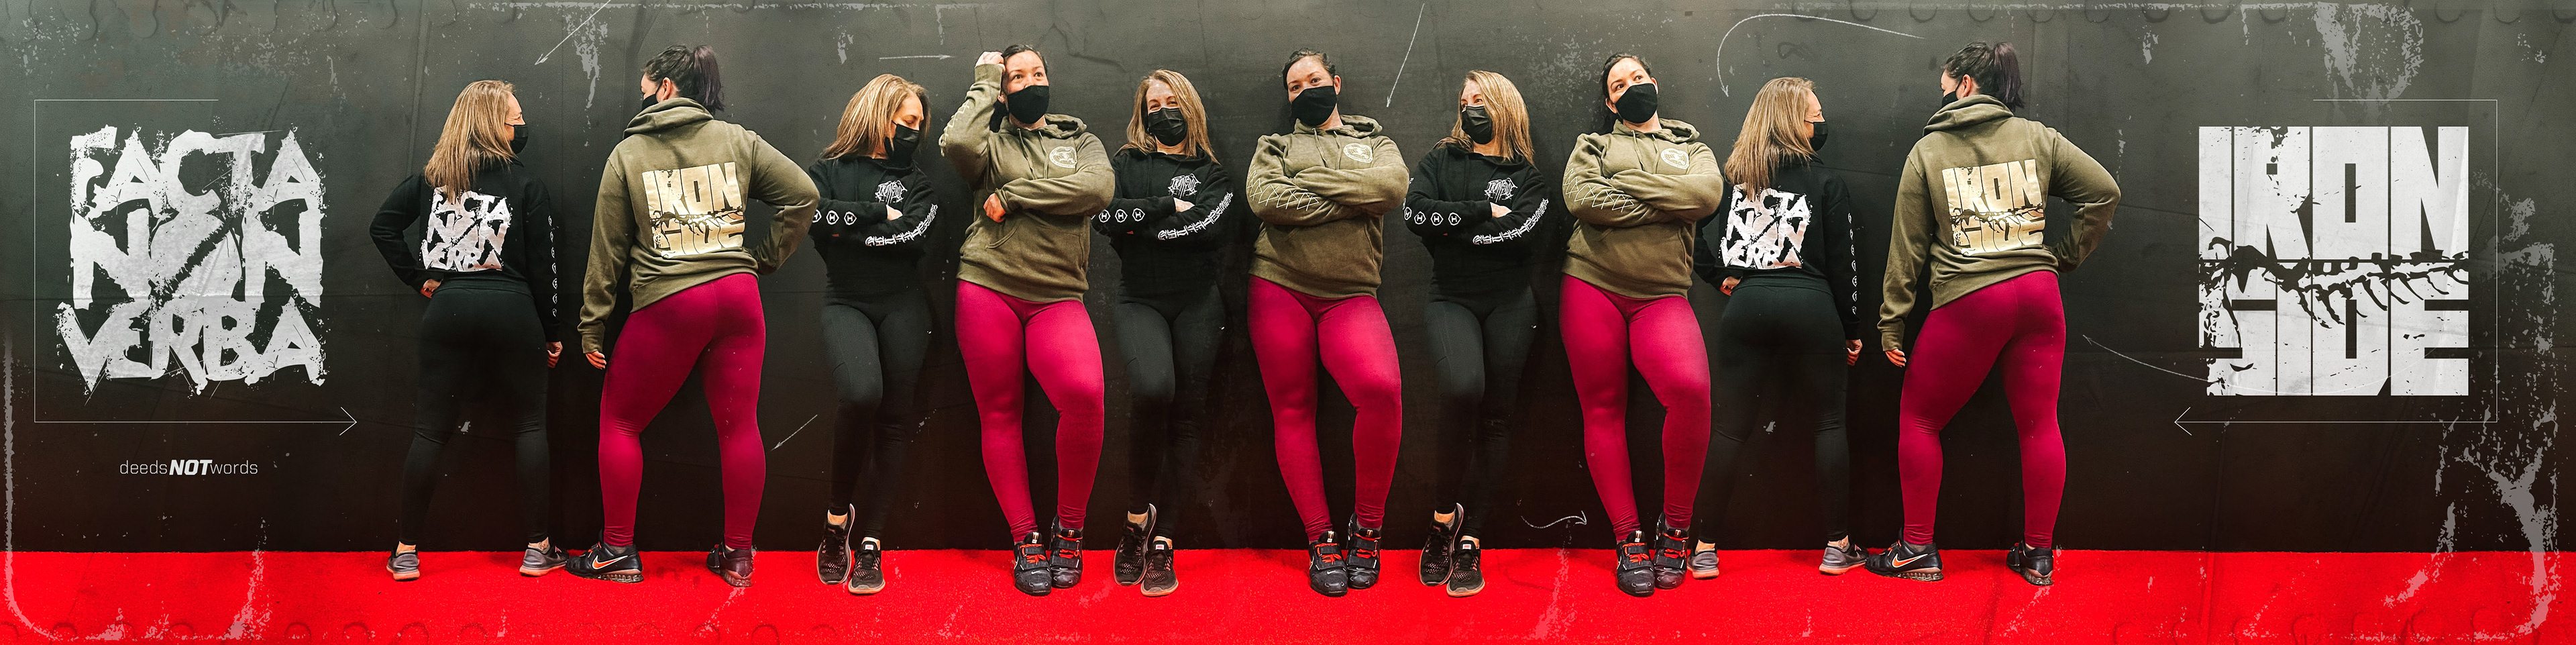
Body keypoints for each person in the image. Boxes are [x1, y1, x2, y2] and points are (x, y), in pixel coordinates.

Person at [1866, 41, 2119, 587]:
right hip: (2039, 295)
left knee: (1919, 418)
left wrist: (1892, 321)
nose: (1939, 93)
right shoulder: (2038, 138)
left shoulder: (1928, 151)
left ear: (1964, 84)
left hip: (1971, 298)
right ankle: (2038, 554)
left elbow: (1907, 247)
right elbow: (2104, 191)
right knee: (2039, 424)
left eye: (1943, 84)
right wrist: (2062, 256)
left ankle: (1916, 549)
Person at [566, 44, 818, 587]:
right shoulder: (738, 140)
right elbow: (804, 194)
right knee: (740, 427)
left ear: (664, 87)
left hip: (671, 300)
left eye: (644, 87)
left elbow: (607, 250)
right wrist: (762, 259)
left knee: (620, 420)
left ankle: (617, 550)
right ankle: (738, 556)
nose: (640, 96)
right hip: (739, 297)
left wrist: (592, 323)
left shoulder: (628, 154)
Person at [937, 44, 1116, 597]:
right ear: (1004, 90)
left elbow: (1097, 189)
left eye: (1037, 73)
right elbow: (957, 143)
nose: (1030, 82)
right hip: (988, 285)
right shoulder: (990, 144)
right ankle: (1025, 539)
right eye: (1017, 77)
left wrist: (1014, 195)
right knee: (999, 413)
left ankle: (1070, 531)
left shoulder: (1080, 140)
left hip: (1058, 294)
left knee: (1085, 396)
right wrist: (984, 79)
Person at [368, 79, 564, 582]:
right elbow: (544, 268)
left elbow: (382, 226)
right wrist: (551, 332)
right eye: (515, 118)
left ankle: (406, 551)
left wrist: (420, 279)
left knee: (430, 430)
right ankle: (538, 548)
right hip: (514, 309)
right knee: (530, 426)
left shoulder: (432, 180)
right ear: (493, 125)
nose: (522, 126)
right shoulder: (526, 184)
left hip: (449, 309)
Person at [1558, 52, 1725, 597]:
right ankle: (1628, 538)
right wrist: (1667, 204)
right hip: (1591, 286)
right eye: (1618, 85)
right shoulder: (1594, 145)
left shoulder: (1692, 148)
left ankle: (1675, 530)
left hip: (1662, 295)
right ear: (1610, 103)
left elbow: (1705, 196)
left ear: (1654, 82)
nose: (1629, 87)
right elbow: (1582, 197)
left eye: (1636, 78)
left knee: (1692, 393)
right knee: (1603, 408)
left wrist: (1627, 185)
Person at [1246, 48, 1409, 598]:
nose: (1305, 90)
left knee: (1382, 391)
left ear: (1336, 83)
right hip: (1278, 287)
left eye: (1313, 80)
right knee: (1293, 409)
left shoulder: (1375, 141)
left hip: (1350, 294)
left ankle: (1367, 531)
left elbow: (1391, 189)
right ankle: (1321, 539)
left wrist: (1310, 184)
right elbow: (1267, 199)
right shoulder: (1274, 146)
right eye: (1295, 86)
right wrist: (1352, 195)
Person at [1687, 77, 1864, 579]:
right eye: (1815, 115)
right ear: (1794, 123)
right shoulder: (1827, 181)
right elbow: (1845, 265)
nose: (1822, 122)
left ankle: (1704, 549)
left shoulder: (1736, 180)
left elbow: (1691, 231)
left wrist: (1721, 277)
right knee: (1829, 423)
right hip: (1813, 305)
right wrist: (1851, 329)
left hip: (1748, 305)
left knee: (1729, 428)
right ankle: (1837, 546)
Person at [1403, 70, 1549, 597]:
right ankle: (1443, 522)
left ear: (1505, 104)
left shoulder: (1528, 177)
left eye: (1481, 99)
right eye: (1464, 101)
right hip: (1451, 298)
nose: (1470, 108)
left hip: (1511, 303)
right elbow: (1415, 212)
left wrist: (1451, 227)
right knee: (1463, 387)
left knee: (1497, 416)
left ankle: (1473, 537)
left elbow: (1521, 233)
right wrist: (1482, 211)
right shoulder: (1441, 159)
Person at [1096, 68, 1236, 597]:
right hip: (1140, 300)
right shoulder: (1125, 164)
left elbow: (1208, 226)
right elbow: (1104, 217)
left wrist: (1141, 225)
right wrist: (1162, 207)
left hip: (1198, 303)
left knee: (1187, 415)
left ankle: (1164, 540)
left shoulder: (1213, 175)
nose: (1163, 111)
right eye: (1153, 105)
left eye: (1171, 100)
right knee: (1153, 388)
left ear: (1190, 106)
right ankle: (1137, 521)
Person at [806, 73, 940, 595]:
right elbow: (813, 218)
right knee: (861, 393)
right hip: (846, 301)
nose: (914, 131)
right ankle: (836, 522)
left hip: (904, 306)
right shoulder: (828, 170)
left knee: (894, 419)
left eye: (919, 124)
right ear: (880, 115)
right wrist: (876, 213)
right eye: (907, 120)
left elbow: (911, 234)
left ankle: (871, 542)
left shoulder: (919, 184)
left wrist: (849, 227)